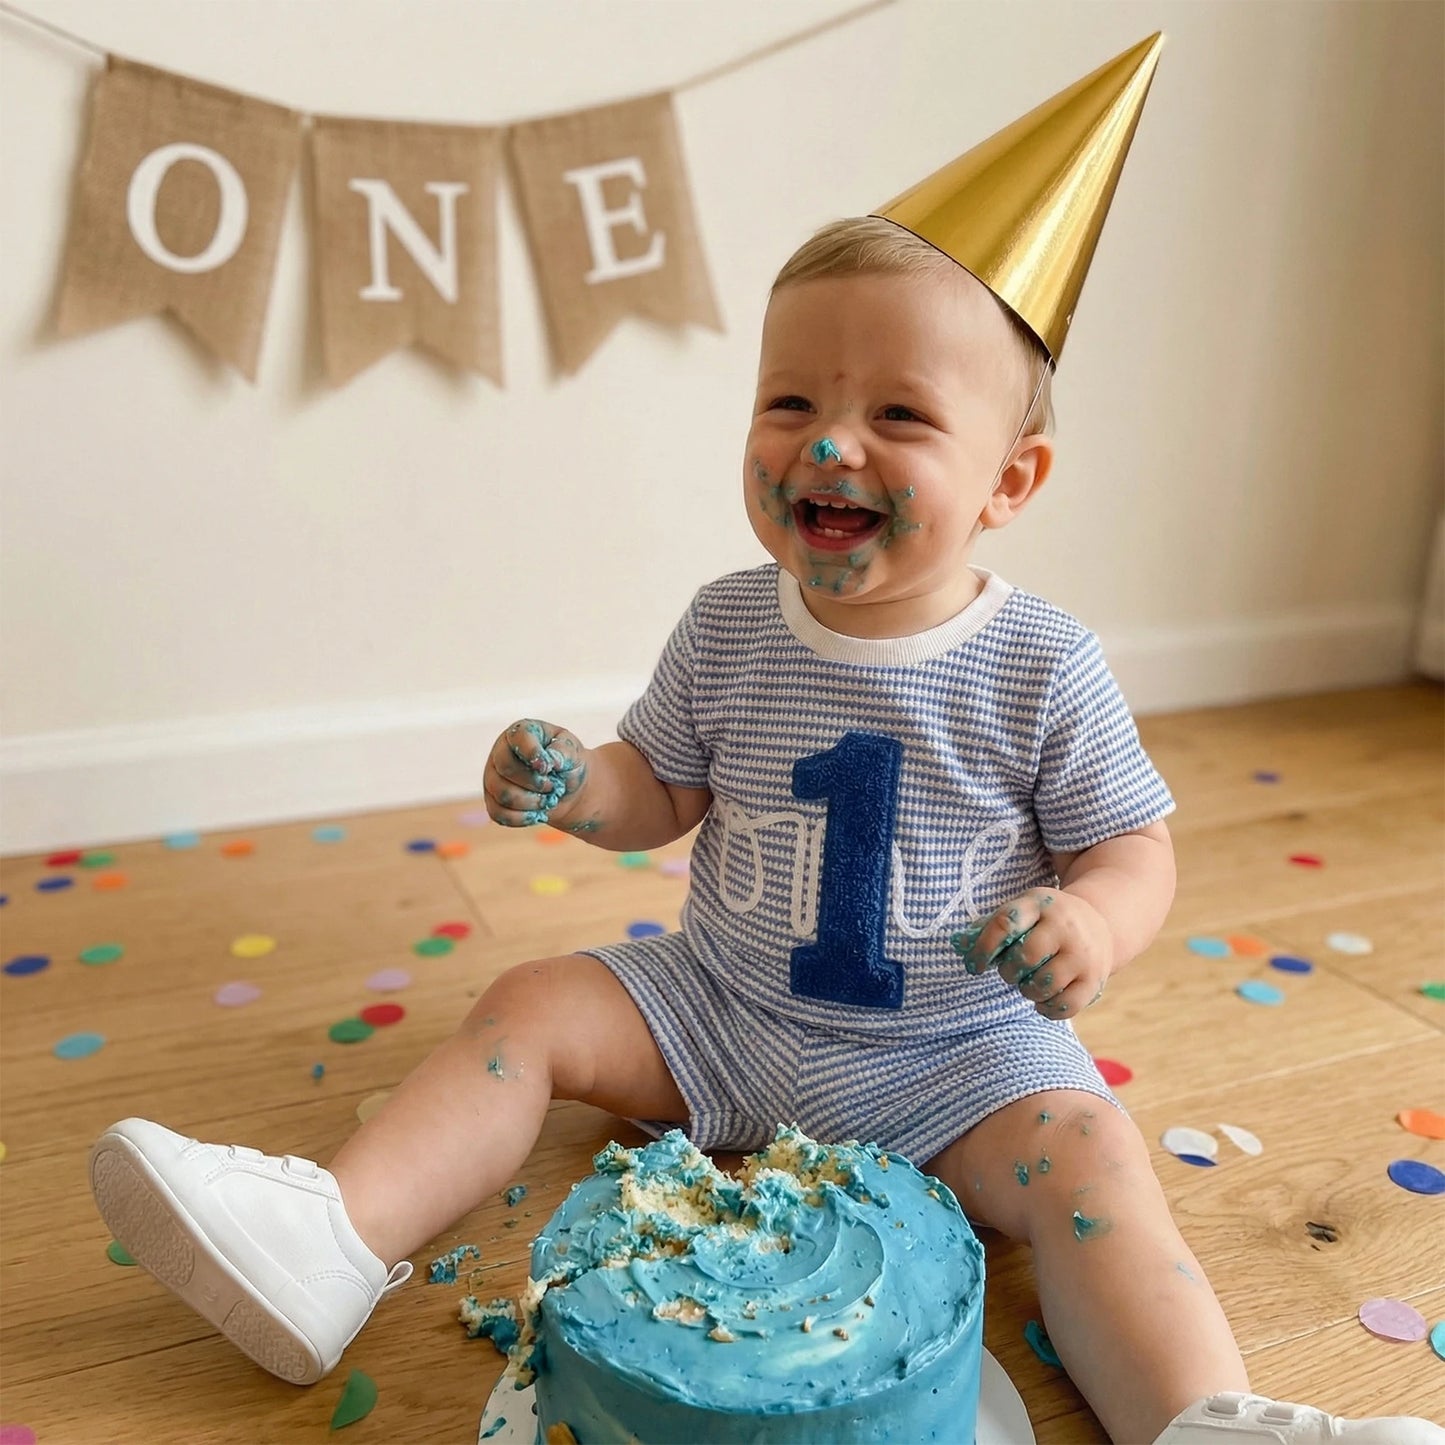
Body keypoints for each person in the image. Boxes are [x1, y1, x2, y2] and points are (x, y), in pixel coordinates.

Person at [90, 38, 1442, 1445]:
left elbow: (1132, 846)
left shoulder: (1042, 661)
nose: (829, 445)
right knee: (533, 1004)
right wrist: (574, 786)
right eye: (790, 402)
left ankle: (1195, 1416)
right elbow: (659, 788)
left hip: (953, 1058)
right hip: (720, 1010)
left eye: (899, 414)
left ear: (1010, 480)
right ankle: (329, 1238)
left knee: (1090, 1156)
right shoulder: (731, 623)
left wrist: (1091, 923)